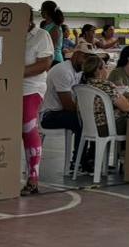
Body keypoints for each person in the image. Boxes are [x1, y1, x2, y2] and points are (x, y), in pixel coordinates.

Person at [20, 21, 55, 195]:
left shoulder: (42, 35)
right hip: (8, 87)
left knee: (28, 126)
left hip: (31, 87)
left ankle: (33, 176)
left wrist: (16, 71)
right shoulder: (11, 33)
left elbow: (44, 64)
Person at [38, 48, 86, 174]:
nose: (86, 62)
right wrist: (86, 110)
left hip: (60, 112)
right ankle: (78, 162)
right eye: (84, 58)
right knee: (82, 120)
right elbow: (68, 105)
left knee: (88, 120)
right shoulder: (64, 71)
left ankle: (85, 159)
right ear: (75, 56)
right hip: (49, 115)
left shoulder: (78, 70)